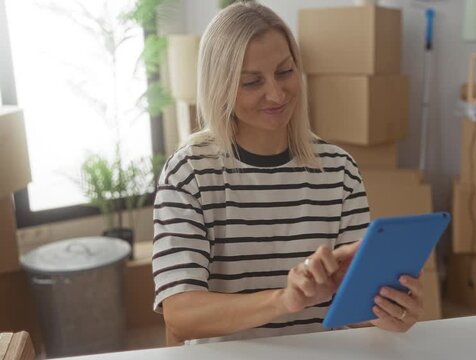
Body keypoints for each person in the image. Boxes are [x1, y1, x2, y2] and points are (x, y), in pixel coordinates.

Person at [152, 0, 427, 345]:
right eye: (252, 82)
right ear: (218, 86)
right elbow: (180, 315)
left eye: (284, 72)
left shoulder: (339, 169)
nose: (277, 93)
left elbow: (353, 309)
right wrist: (284, 300)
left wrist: (390, 312)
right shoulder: (188, 172)